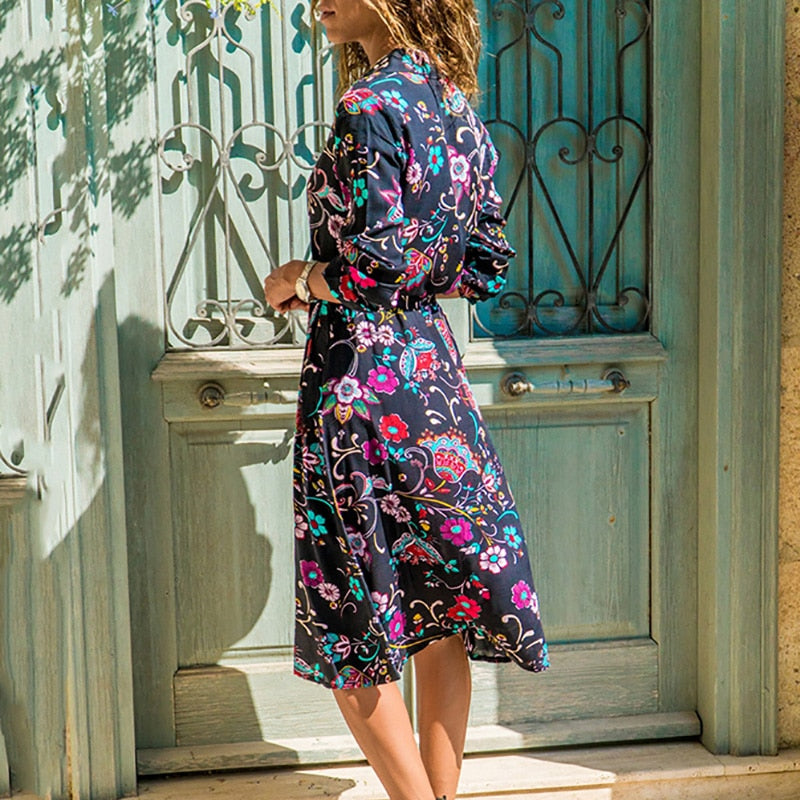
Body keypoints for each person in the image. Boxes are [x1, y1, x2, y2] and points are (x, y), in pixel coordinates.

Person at [263, 2, 548, 798]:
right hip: (430, 376)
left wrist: (301, 279)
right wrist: (412, 275)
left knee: (350, 619)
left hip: (356, 380)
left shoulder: (367, 105)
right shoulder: (456, 108)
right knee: (436, 607)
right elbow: (485, 261)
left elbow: (377, 267)